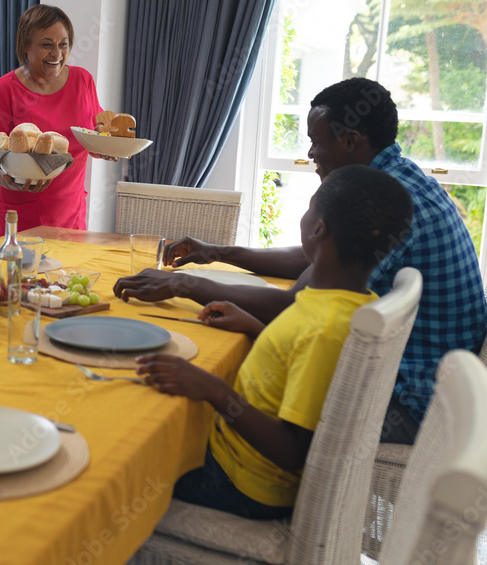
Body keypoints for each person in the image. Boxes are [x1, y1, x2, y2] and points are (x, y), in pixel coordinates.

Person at [114, 77, 487, 444]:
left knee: (194, 401)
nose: (310, 154)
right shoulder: (396, 183)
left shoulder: (385, 203)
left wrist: (184, 283)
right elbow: (316, 257)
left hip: (412, 403)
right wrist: (218, 252)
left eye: (316, 141)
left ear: (350, 141)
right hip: (440, 385)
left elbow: (293, 304)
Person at [137, 165, 412, 519]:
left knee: (131, 453)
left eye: (310, 207)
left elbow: (292, 451)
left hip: (243, 480)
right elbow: (297, 355)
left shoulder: (325, 330)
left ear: (318, 228)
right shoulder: (350, 302)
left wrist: (213, 389)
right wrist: (255, 328)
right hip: (238, 457)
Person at [0, 4, 114, 238]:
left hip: (71, 215)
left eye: (64, 44)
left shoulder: (83, 81)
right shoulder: (3, 91)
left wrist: (108, 146)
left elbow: (93, 134)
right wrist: (11, 182)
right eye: (46, 45)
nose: (57, 54)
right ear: (25, 46)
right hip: (20, 218)